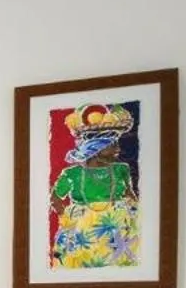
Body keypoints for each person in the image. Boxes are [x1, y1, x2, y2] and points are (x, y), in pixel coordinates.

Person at [49, 102, 140, 270]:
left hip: (119, 226)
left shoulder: (122, 169)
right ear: (96, 149)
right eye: (112, 145)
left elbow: (129, 194)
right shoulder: (72, 173)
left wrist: (135, 215)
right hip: (80, 229)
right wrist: (68, 217)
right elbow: (55, 198)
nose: (117, 149)